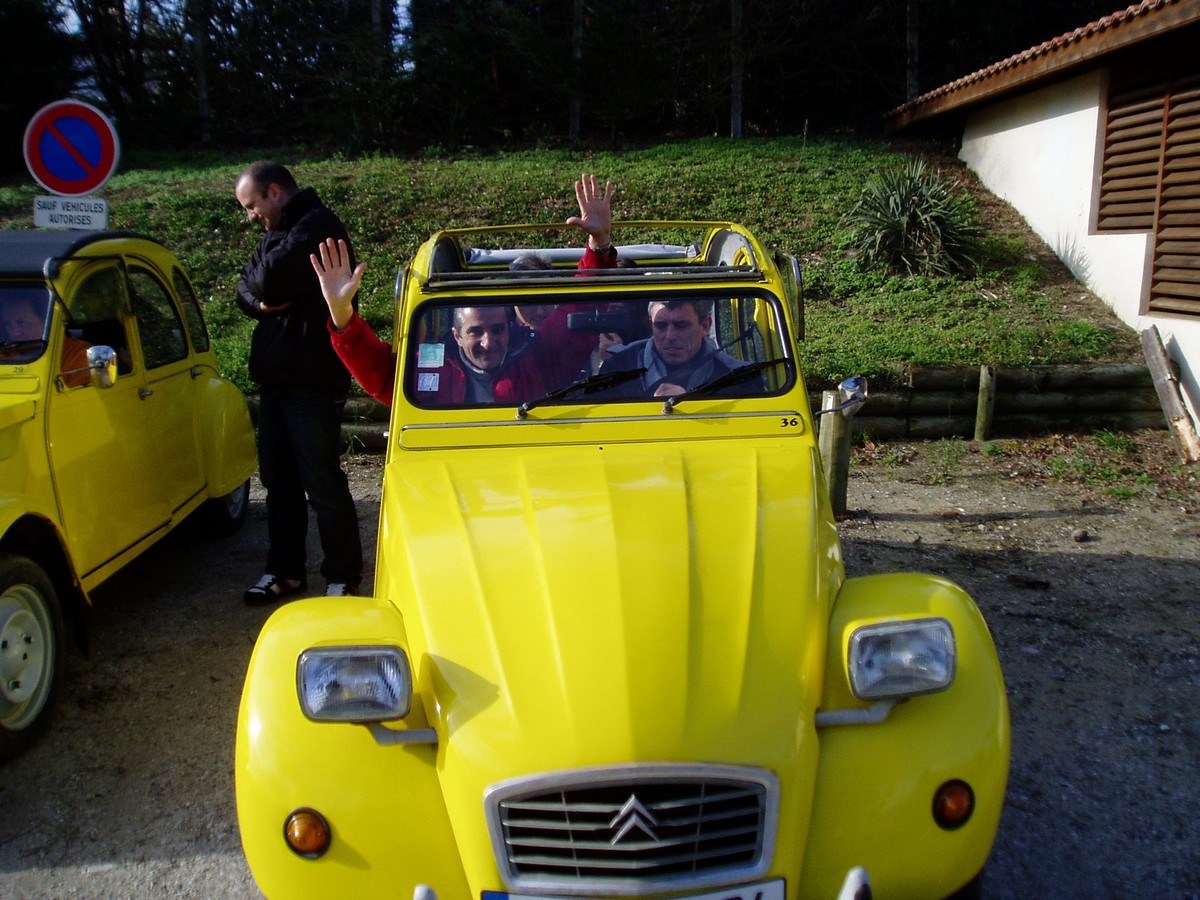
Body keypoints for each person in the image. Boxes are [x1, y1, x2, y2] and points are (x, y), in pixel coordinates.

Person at [311, 173, 620, 406]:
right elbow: (378, 374)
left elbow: (580, 305)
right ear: (456, 335)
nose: (489, 341)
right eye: (476, 332)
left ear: (510, 327)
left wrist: (599, 247)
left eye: (498, 329)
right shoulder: (430, 366)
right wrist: (342, 314)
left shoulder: (536, 357)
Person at [233, 160, 363, 604]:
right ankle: (285, 572)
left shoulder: (319, 226)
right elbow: (244, 290)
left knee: (322, 482)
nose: (250, 216)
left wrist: (262, 291)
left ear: (273, 191)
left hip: (312, 382)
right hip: (275, 383)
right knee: (278, 482)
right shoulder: (276, 233)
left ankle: (342, 578)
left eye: (252, 206)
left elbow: (264, 279)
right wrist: (262, 300)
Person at [598, 298, 747, 397]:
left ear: (705, 326)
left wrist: (692, 405)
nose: (670, 336)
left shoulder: (738, 378)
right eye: (661, 326)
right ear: (651, 326)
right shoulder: (618, 368)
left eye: (681, 326)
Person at [2, 294, 92, 387]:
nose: (15, 332)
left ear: (47, 322)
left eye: (22, 324)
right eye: (8, 324)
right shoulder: (5, 354)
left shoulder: (79, 357)